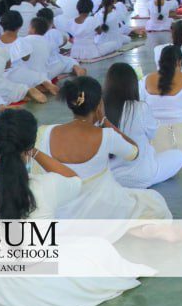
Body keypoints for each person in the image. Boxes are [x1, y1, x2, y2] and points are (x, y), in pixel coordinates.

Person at [0, 108, 154, 306]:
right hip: (35, 294)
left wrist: (4, 160)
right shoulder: (46, 186)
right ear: (30, 146)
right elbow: (73, 179)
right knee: (96, 247)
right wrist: (36, 152)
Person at [37, 76, 172, 229]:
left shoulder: (45, 132)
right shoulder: (106, 136)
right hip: (101, 211)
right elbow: (134, 152)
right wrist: (105, 121)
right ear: (99, 105)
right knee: (154, 200)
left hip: (64, 215)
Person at [102, 63, 182, 189]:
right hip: (141, 177)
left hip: (109, 178)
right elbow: (152, 134)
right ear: (132, 85)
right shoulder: (140, 108)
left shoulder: (99, 110)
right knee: (179, 155)